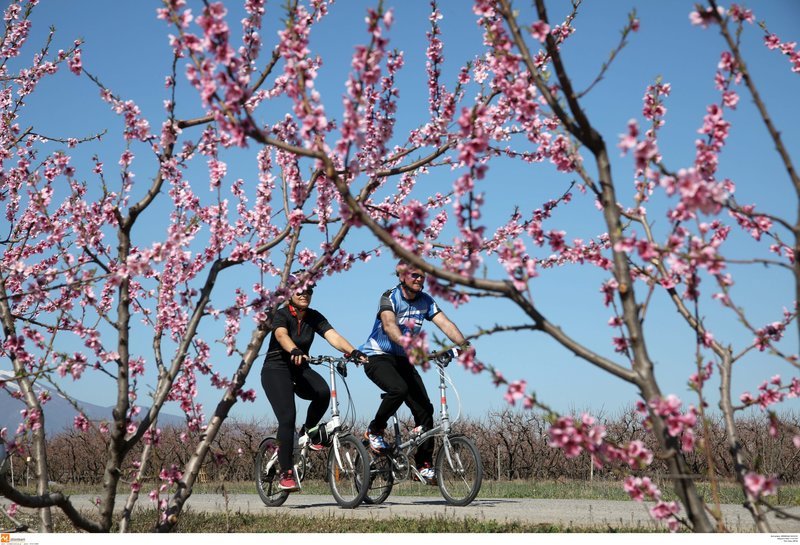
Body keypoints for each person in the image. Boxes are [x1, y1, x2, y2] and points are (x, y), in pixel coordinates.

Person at [358, 259, 471, 484]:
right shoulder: (390, 297)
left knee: (425, 410)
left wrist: (464, 345)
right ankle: (375, 430)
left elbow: (445, 323)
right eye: (414, 276)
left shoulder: (426, 301)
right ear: (401, 277)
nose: (420, 279)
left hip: (403, 360)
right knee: (398, 389)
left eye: (423, 276)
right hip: (377, 356)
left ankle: (423, 464)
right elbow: (389, 326)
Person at [261, 273, 367, 492]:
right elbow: (281, 335)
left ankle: (307, 431)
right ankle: (286, 473)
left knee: (322, 392)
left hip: (300, 368)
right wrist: (294, 349)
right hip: (276, 370)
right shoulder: (281, 314)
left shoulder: (314, 316)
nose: (304, 294)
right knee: (287, 417)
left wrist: (353, 351)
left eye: (309, 290)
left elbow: (333, 336)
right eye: (299, 289)